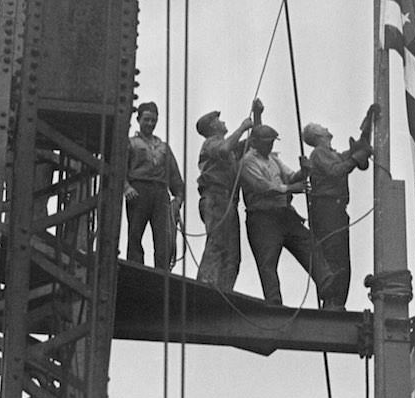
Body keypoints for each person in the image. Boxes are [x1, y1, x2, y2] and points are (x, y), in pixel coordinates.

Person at [301, 104, 377, 309]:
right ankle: (333, 302)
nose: (325, 128)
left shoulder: (329, 153)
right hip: (327, 209)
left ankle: (337, 301)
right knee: (334, 255)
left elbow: (357, 148)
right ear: (317, 134)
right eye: (320, 127)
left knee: (341, 257)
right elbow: (337, 171)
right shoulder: (318, 153)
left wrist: (368, 123)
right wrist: (355, 159)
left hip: (334, 209)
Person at [238, 122, 316, 307]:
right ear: (255, 142)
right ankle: (274, 302)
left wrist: (303, 172)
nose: (271, 145)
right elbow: (261, 186)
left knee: (308, 244)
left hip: (282, 213)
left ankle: (327, 281)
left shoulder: (273, 159)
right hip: (262, 217)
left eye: (272, 142)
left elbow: (290, 176)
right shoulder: (247, 162)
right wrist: (290, 188)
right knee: (268, 261)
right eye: (267, 142)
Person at [194, 98, 262, 292]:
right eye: (218, 120)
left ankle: (224, 290)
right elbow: (224, 149)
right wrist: (241, 128)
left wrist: (257, 115)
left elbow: (256, 141)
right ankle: (206, 287)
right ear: (212, 126)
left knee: (232, 253)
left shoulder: (230, 148)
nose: (223, 122)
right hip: (215, 198)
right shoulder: (211, 143)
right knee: (217, 244)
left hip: (228, 201)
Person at [125, 102, 183, 271]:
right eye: (147, 119)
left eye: (153, 120)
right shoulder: (131, 143)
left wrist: (178, 200)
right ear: (138, 119)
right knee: (135, 234)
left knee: (164, 237)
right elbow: (120, 170)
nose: (150, 124)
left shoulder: (164, 147)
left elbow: (175, 177)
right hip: (138, 191)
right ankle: (136, 270)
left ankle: (163, 271)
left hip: (160, 193)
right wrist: (126, 187)